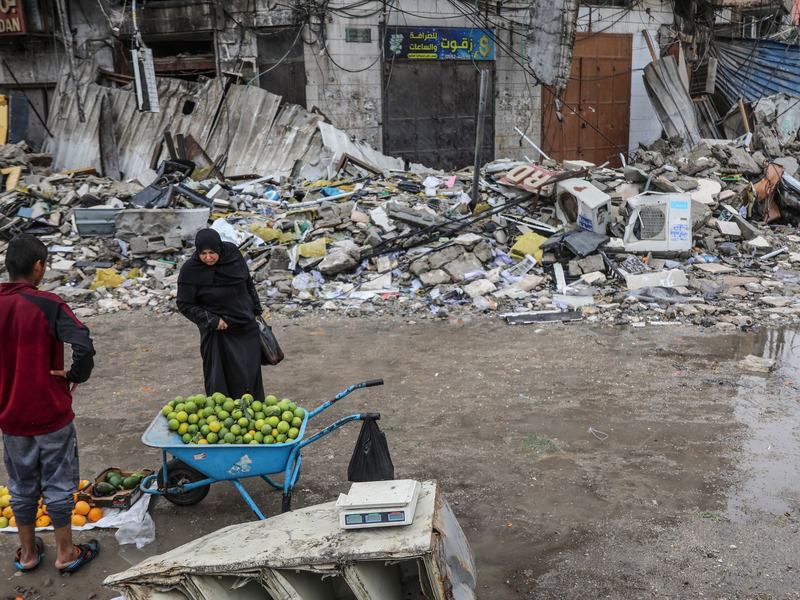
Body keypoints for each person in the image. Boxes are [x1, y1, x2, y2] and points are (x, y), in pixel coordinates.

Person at [0, 234, 98, 574]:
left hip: (10, 414)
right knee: (58, 483)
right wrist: (74, 374)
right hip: (50, 413)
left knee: (21, 486)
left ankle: (27, 554)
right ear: (38, 266)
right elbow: (83, 343)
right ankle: (66, 553)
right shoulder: (48, 304)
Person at [177, 228, 265, 400]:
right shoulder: (191, 270)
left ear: (219, 248)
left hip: (245, 328)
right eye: (203, 253)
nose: (208, 257)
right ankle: (222, 418)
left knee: (249, 376)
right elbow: (184, 303)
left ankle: (253, 420)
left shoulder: (232, 256)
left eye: (212, 252)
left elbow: (248, 284)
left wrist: (256, 311)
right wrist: (211, 319)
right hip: (218, 333)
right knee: (220, 379)